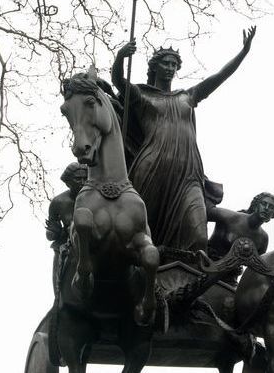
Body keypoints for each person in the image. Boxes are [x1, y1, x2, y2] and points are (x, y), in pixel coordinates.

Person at [110, 26, 257, 253]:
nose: (170, 68)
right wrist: (121, 56)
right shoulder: (142, 95)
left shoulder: (187, 96)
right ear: (154, 67)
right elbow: (118, 81)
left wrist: (243, 52)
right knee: (141, 231)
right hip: (152, 168)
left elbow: (219, 77)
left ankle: (188, 280)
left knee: (198, 238)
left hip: (188, 172)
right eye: (165, 64)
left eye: (174, 65)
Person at [207, 192, 274, 284]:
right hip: (203, 268)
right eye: (263, 204)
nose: (266, 209)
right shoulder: (231, 217)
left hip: (229, 281)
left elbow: (255, 269)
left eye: (271, 207)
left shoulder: (263, 238)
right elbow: (204, 211)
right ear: (255, 205)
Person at [45, 162, 88, 290]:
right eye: (77, 179)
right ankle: (58, 297)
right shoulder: (58, 202)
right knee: (59, 258)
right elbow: (50, 235)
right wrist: (54, 232)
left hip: (92, 240)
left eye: (85, 178)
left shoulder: (95, 198)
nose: (82, 182)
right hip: (68, 243)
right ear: (68, 182)